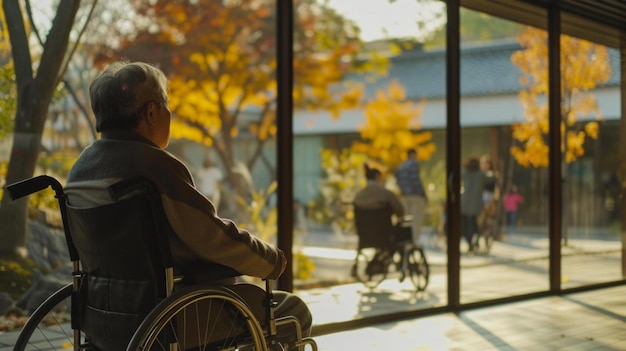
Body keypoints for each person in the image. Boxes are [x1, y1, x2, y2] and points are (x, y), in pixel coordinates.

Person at [64, 60, 311, 348]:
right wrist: (270, 260)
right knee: (292, 311)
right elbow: (212, 236)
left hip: (101, 316)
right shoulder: (152, 165)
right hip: (171, 316)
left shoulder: (80, 169)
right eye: (166, 104)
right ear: (152, 112)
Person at [394, 149, 427, 243]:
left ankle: (404, 239)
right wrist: (423, 194)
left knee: (405, 219)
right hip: (415, 195)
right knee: (416, 220)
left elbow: (397, 180)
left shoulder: (400, 167)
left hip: (404, 195)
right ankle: (413, 240)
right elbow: (416, 181)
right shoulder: (413, 164)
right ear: (413, 155)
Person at [460, 156, 487, 254]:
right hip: (475, 204)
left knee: (466, 223)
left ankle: (469, 242)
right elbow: (490, 178)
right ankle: (471, 241)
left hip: (465, 203)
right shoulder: (480, 175)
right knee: (473, 223)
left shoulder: (465, 172)